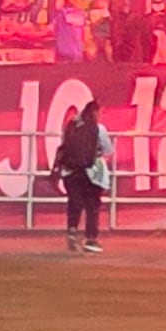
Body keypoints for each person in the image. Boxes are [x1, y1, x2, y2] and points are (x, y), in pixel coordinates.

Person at [55, 101, 111, 255]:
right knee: (92, 205)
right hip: (91, 172)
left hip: (71, 170)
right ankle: (91, 239)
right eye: (100, 112)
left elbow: (64, 145)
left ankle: (72, 231)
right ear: (95, 112)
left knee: (75, 202)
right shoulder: (99, 129)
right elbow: (108, 149)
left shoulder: (72, 125)